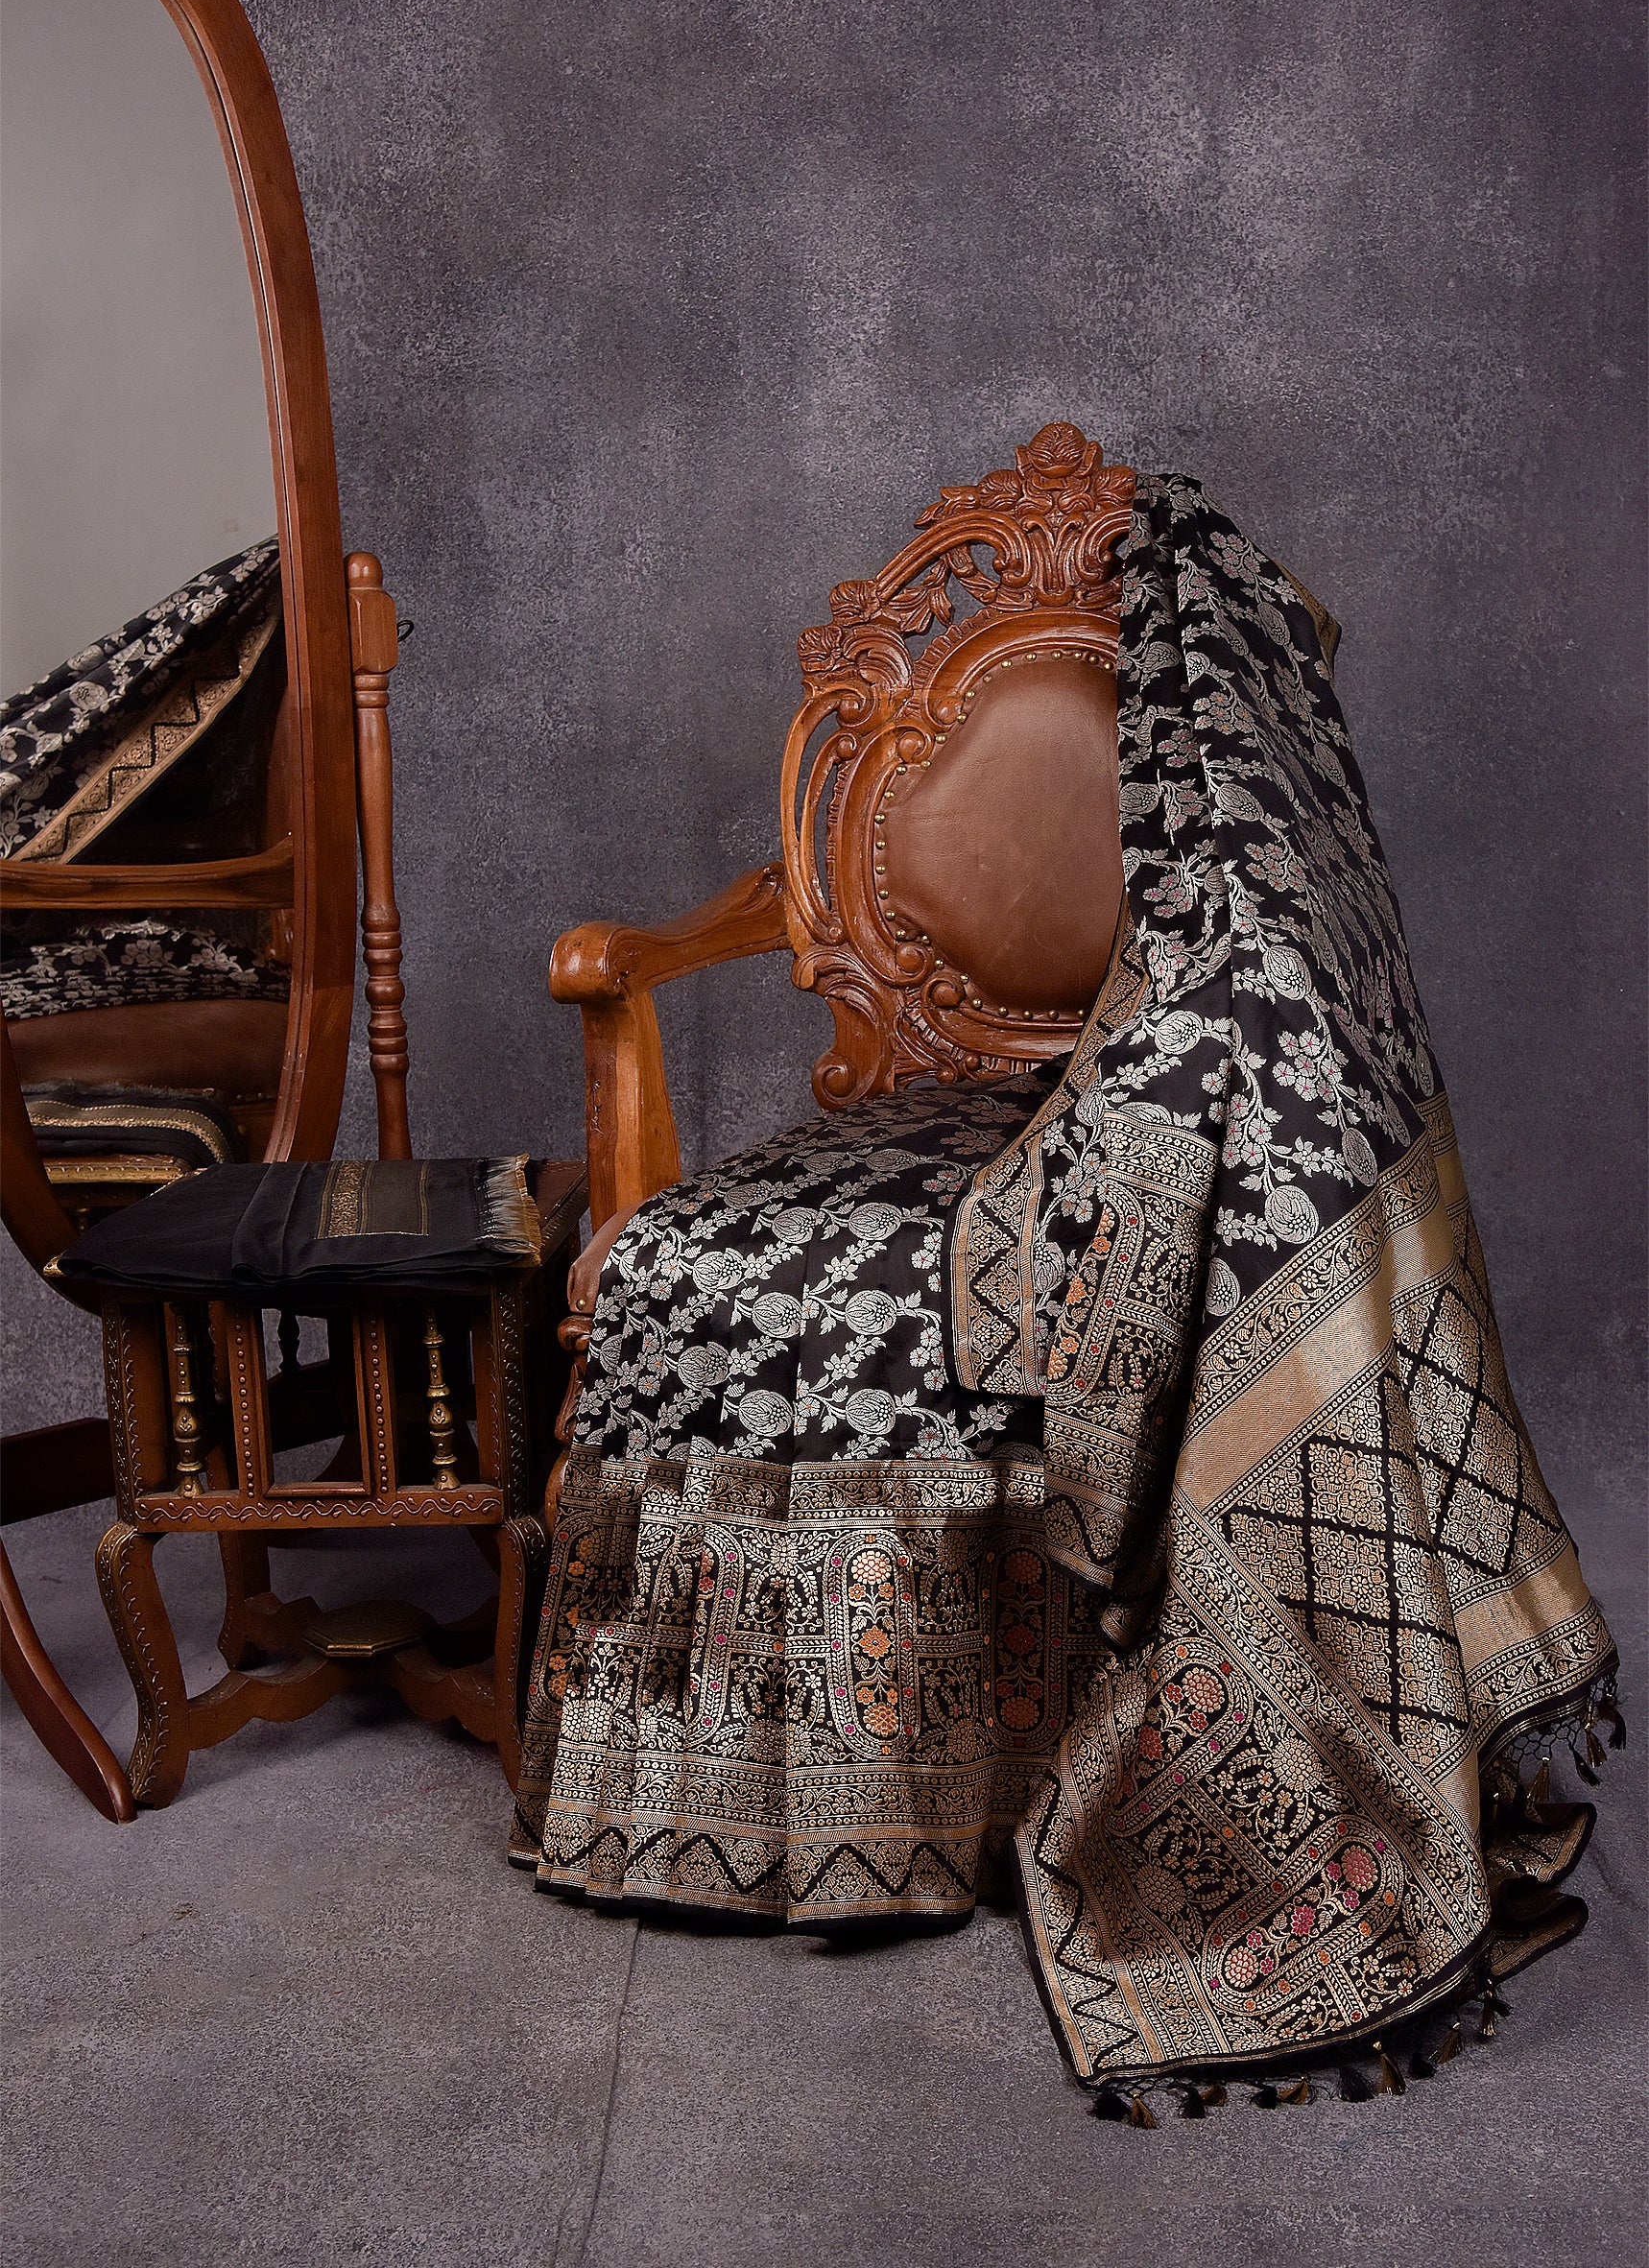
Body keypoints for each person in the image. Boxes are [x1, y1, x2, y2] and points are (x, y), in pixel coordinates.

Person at [511, 466, 1618, 2109]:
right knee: (684, 1244)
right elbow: (703, 931)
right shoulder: (904, 730)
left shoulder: (1207, 807)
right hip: (929, 1123)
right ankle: (753, 1809)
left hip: (1101, 1103)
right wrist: (637, 962)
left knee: (1165, 1240)